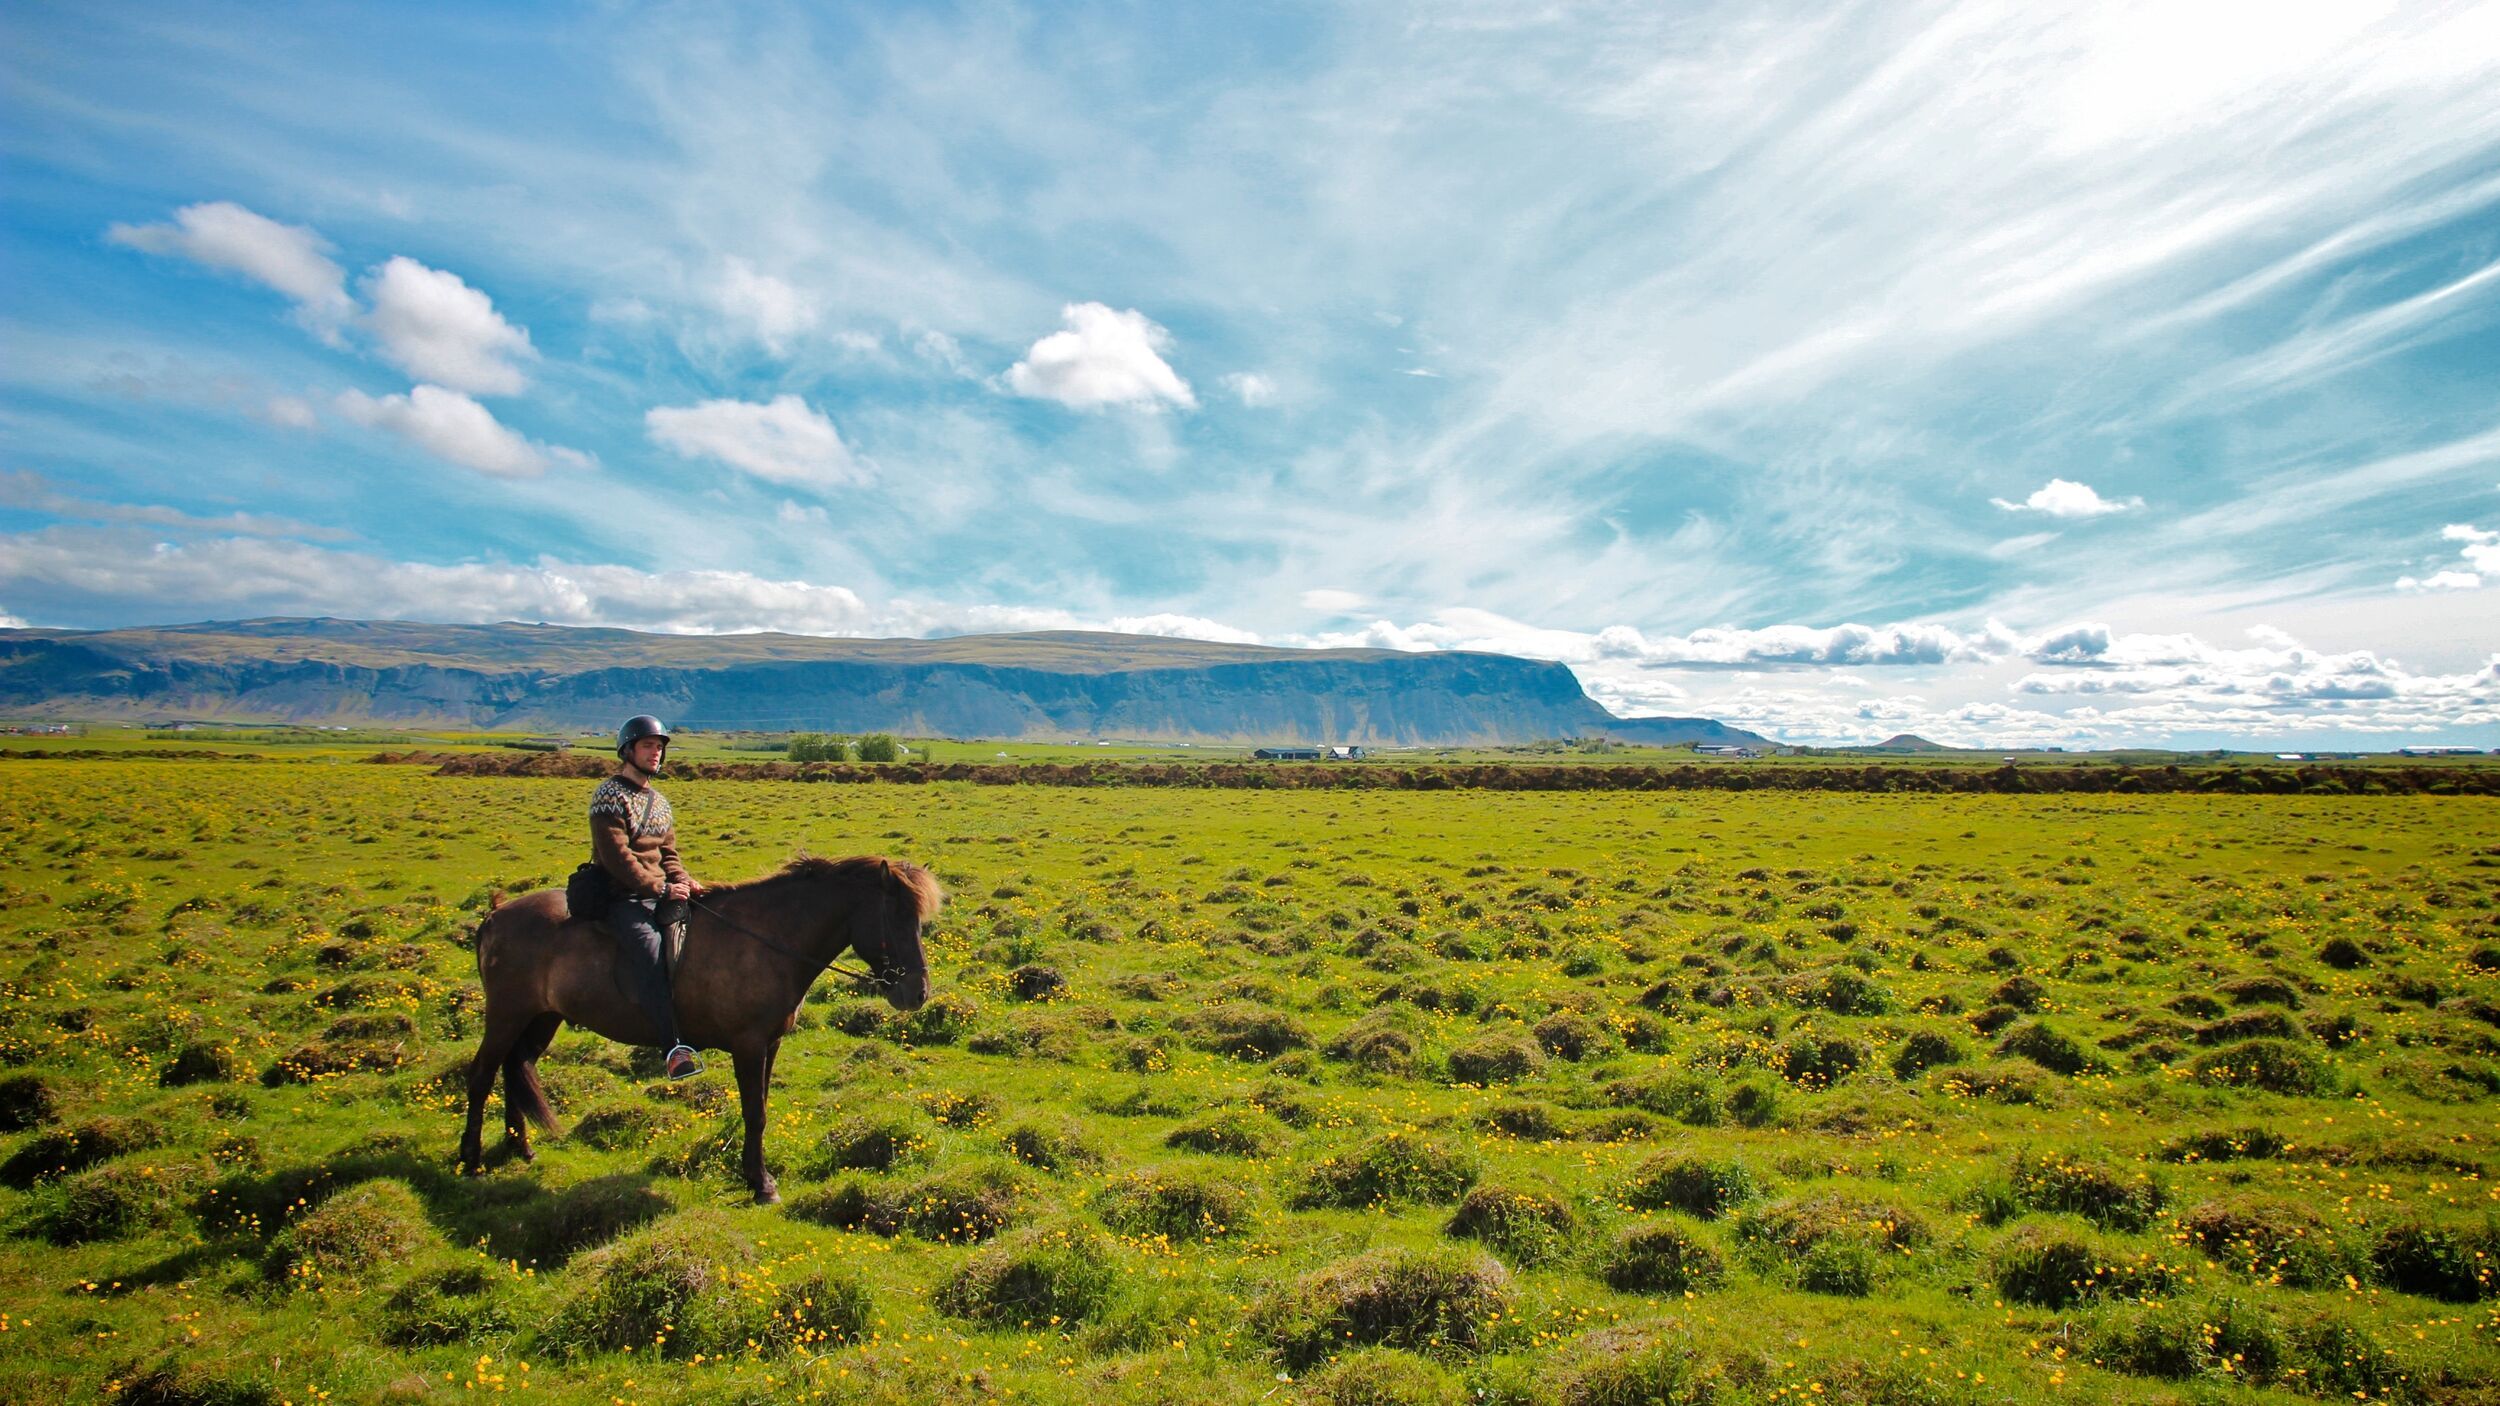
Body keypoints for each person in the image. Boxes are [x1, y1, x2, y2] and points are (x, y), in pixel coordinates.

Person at [592, 714, 705, 1079]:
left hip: (660, 892)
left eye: (659, 748)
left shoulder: (660, 803)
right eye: (647, 746)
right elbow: (617, 857)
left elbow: (668, 854)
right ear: (628, 750)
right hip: (621, 897)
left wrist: (684, 881)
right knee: (651, 954)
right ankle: (673, 1046)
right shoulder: (610, 795)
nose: (654, 754)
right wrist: (661, 888)